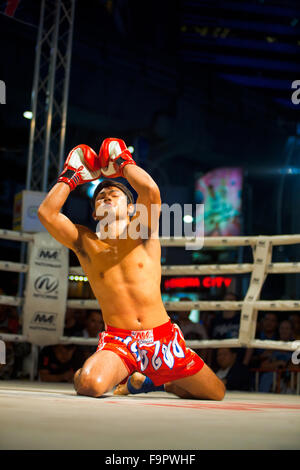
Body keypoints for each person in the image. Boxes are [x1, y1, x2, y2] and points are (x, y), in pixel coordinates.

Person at [38, 139, 225, 400]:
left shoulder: (143, 229)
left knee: (216, 393)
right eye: (100, 197)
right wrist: (70, 176)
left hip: (162, 338)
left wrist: (123, 162)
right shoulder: (85, 242)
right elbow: (46, 213)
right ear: (94, 213)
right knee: (89, 385)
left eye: (114, 195)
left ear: (130, 207)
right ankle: (97, 371)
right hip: (119, 341)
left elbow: (150, 189)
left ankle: (158, 383)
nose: (105, 196)